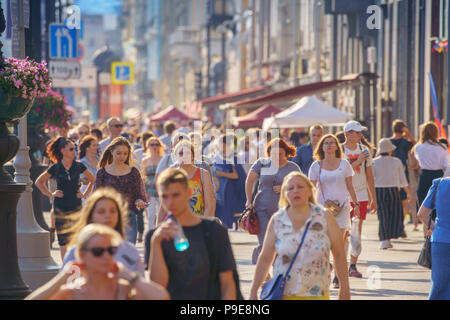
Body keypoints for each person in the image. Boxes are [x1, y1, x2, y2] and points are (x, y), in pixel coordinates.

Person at [249, 172, 350, 300]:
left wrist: (345, 289)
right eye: (290, 188)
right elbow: (265, 258)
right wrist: (253, 291)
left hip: (316, 294)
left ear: (309, 190)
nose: (296, 190)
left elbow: (339, 254)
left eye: (300, 187)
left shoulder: (324, 216)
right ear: (285, 194)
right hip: (283, 294)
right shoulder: (278, 220)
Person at [145, 168, 240, 300]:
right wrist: (156, 243)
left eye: (175, 195)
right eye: (164, 197)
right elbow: (157, 287)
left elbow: (228, 283)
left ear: (188, 193)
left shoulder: (214, 231)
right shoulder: (155, 236)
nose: (170, 202)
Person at [26, 224, 169, 300]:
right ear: (82, 256)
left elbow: (162, 297)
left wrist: (131, 277)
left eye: (111, 250)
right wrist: (62, 278)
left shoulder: (124, 289)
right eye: (98, 252)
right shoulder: (72, 293)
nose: (106, 256)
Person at [308, 134, 359, 289]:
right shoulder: (316, 166)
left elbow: (350, 186)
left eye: (332, 143)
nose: (329, 145)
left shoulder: (344, 164)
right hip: (322, 209)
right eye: (326, 143)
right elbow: (311, 188)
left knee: (340, 245)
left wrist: (355, 203)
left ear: (337, 146)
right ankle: (327, 274)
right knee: (325, 244)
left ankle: (338, 278)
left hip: (343, 207)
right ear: (321, 147)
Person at [61, 188, 145, 275]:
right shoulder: (75, 252)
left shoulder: (130, 251)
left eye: (112, 211)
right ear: (90, 216)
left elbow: (141, 286)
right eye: (101, 212)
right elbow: (66, 285)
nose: (108, 215)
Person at [36, 137, 96, 259]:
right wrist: (51, 194)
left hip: (76, 205)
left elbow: (92, 180)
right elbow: (39, 182)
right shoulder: (56, 167)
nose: (74, 151)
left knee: (75, 238)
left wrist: (84, 195)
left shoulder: (79, 166)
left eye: (75, 148)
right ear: (63, 150)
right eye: (71, 149)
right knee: (63, 241)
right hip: (60, 206)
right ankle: (66, 269)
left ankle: (75, 268)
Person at [245, 138, 300, 264]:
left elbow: (301, 187)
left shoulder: (293, 167)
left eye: (280, 154)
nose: (277, 157)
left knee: (282, 242)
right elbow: (249, 180)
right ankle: (264, 273)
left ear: (286, 153)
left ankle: (277, 270)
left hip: (286, 211)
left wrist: (285, 187)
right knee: (264, 241)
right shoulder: (262, 163)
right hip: (262, 208)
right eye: (274, 154)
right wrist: (249, 200)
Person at [94, 137, 148, 244]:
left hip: (129, 216)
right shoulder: (102, 172)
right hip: (107, 217)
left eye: (125, 153)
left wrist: (139, 201)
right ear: (111, 151)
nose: (122, 156)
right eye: (118, 153)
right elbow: (96, 196)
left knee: (128, 253)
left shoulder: (133, 172)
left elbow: (139, 194)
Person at [342, 121, 377, 278]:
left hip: (361, 195)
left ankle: (353, 265)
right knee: (343, 231)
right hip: (342, 195)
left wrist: (373, 198)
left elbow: (370, 176)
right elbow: (342, 172)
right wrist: (358, 160)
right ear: (347, 133)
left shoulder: (365, 150)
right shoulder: (339, 150)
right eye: (357, 132)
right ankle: (340, 264)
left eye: (360, 132)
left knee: (356, 231)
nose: (360, 135)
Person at [372, 138, 411, 249]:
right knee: (393, 214)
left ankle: (385, 239)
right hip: (394, 190)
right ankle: (389, 238)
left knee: (382, 215)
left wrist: (370, 196)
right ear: (390, 150)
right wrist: (408, 193)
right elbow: (403, 179)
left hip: (378, 190)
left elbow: (371, 179)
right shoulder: (396, 161)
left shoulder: (374, 162)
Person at [418, 177, 450, 300]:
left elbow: (422, 214)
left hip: (441, 239)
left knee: (439, 286)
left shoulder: (439, 184)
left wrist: (435, 228)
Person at [167, 140, 216, 219]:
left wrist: (204, 226)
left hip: (198, 222)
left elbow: (209, 205)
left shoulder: (203, 174)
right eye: (181, 153)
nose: (184, 156)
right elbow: (163, 207)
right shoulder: (171, 175)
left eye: (187, 153)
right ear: (175, 156)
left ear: (193, 156)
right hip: (176, 224)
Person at [213, 134, 247, 229]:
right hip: (219, 188)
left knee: (226, 213)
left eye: (219, 143)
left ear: (224, 144)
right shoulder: (219, 155)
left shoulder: (233, 156)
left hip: (228, 189)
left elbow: (237, 175)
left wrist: (222, 174)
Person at [414, 121, 450, 210]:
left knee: (423, 201)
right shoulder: (442, 147)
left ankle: (426, 223)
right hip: (438, 175)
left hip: (424, 176)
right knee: (438, 202)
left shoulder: (418, 147)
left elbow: (418, 161)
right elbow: (446, 165)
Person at [390, 119, 417, 233]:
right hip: (402, 173)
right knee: (404, 200)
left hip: (389, 174)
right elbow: (416, 144)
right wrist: (409, 133)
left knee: (392, 200)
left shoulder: (388, 141)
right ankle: (401, 225)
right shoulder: (405, 142)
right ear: (403, 129)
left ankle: (394, 225)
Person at [142, 137, 164, 229]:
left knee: (161, 213)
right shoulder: (145, 160)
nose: (154, 146)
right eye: (152, 144)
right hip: (149, 190)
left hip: (161, 189)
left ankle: (161, 231)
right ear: (148, 146)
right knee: (150, 214)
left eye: (156, 144)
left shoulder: (163, 159)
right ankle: (150, 234)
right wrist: (144, 191)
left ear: (160, 146)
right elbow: (143, 177)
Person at [78, 135, 99, 203]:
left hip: (99, 191)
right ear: (87, 148)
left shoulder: (101, 160)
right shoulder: (81, 163)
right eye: (94, 145)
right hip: (85, 192)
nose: (96, 147)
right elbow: (83, 180)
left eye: (96, 145)